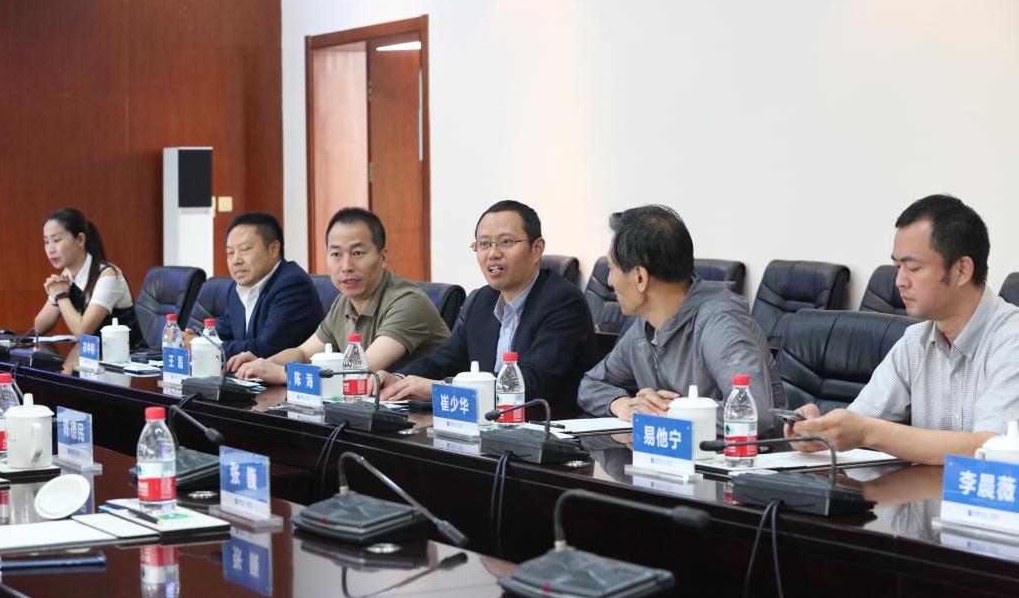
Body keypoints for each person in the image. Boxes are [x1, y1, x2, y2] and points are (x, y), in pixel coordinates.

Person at [787, 194, 1019, 465]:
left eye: (913, 268)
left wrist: (867, 431)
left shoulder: (1011, 339)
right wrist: (819, 431)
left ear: (961, 270)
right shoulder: (915, 342)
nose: (899, 281)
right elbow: (859, 422)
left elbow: (990, 449)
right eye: (898, 267)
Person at [578, 205, 784, 437]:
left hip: (739, 458)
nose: (609, 281)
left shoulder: (720, 322)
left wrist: (669, 412)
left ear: (640, 277)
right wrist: (623, 404)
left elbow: (755, 413)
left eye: (611, 268)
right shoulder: (644, 326)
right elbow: (590, 385)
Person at [379, 200, 598, 416]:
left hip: (545, 429)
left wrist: (441, 388)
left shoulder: (563, 302)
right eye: (484, 244)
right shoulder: (481, 299)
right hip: (486, 425)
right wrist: (399, 379)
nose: (493, 253)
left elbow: (533, 382)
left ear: (536, 249)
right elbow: (445, 359)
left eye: (506, 242)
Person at [231, 208, 449, 382]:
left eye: (358, 253)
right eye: (336, 254)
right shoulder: (343, 302)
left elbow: (356, 373)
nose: (346, 266)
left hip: (425, 418)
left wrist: (281, 374)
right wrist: (263, 365)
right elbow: (303, 354)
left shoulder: (408, 302)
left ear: (383, 257)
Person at [184, 213, 323, 360]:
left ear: (273, 249)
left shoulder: (292, 285)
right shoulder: (237, 289)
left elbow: (265, 350)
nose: (236, 260)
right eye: (230, 253)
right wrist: (196, 338)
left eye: (245, 249)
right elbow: (225, 330)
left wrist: (202, 347)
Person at [35, 208, 143, 346]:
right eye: (46, 242)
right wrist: (56, 294)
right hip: (95, 356)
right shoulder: (66, 275)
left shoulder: (109, 275)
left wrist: (61, 296)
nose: (50, 249)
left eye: (56, 240)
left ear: (80, 239)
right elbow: (39, 327)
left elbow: (83, 333)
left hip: (127, 356)